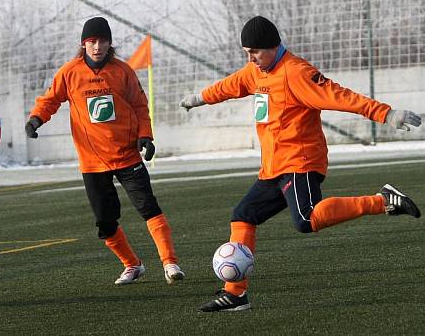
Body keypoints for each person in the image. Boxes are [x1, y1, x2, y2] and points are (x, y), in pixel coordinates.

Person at [179, 15, 422, 312]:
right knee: (243, 215)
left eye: (255, 52)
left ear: (272, 46)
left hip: (301, 161)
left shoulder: (296, 72)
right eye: (246, 53)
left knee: (306, 220)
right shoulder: (255, 72)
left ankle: (381, 200)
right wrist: (198, 98)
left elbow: (339, 96)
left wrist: (385, 113)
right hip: (274, 167)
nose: (251, 58)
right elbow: (228, 86)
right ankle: (235, 294)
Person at [26, 16, 185, 285]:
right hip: (92, 161)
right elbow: (50, 99)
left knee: (149, 208)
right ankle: (132, 265)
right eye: (92, 41)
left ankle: (170, 264)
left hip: (127, 155)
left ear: (110, 43)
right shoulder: (70, 72)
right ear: (83, 44)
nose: (97, 46)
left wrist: (145, 136)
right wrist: (36, 119)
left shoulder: (123, 71)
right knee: (105, 223)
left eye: (102, 41)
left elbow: (140, 107)